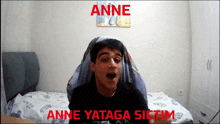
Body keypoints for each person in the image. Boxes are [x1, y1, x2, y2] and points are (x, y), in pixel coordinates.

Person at [68, 36, 171, 124]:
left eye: (117, 60)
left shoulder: (132, 94)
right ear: (93, 66)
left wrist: (154, 120)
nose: (113, 65)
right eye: (104, 59)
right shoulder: (79, 96)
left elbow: (147, 117)